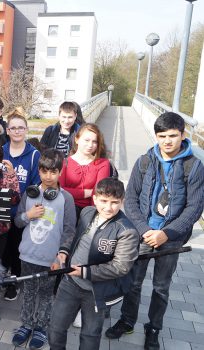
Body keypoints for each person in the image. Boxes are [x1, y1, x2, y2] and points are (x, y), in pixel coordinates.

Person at [105, 112, 204, 350]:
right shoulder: (145, 161)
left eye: (173, 136)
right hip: (142, 233)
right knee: (133, 281)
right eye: (162, 136)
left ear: (182, 135)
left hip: (172, 238)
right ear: (156, 136)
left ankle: (153, 329)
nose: (167, 141)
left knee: (161, 287)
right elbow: (131, 200)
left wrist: (167, 233)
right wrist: (143, 228)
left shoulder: (194, 166)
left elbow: (195, 208)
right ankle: (127, 321)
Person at [50, 178, 139, 350]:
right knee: (55, 328)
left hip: (98, 292)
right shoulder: (87, 212)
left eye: (115, 202)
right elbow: (74, 237)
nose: (108, 207)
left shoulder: (127, 231)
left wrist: (85, 272)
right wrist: (63, 252)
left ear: (122, 202)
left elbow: (121, 266)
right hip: (70, 283)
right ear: (95, 198)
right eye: (104, 201)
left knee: (90, 336)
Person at [10, 149, 76, 349]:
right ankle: (26, 324)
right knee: (28, 292)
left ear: (60, 172)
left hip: (50, 259)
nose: (48, 176)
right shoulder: (30, 194)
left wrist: (62, 255)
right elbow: (18, 222)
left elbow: (69, 229)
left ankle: (41, 327)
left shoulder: (66, 198)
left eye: (53, 172)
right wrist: (28, 215)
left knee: (46, 294)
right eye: (44, 171)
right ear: (38, 171)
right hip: (27, 255)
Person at [1, 111, 41, 301]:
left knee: (18, 249)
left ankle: (14, 282)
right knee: (3, 249)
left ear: (26, 130)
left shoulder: (33, 155)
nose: (17, 131)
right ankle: (2, 278)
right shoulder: (1, 151)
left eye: (21, 127)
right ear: (8, 130)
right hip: (1, 211)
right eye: (13, 127)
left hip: (21, 212)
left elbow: (35, 186)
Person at [59, 123, 110, 219]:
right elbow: (60, 191)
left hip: (90, 211)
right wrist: (88, 193)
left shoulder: (103, 164)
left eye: (94, 142)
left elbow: (99, 193)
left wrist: (91, 217)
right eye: (86, 140)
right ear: (77, 139)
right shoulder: (64, 162)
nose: (90, 145)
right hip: (65, 209)